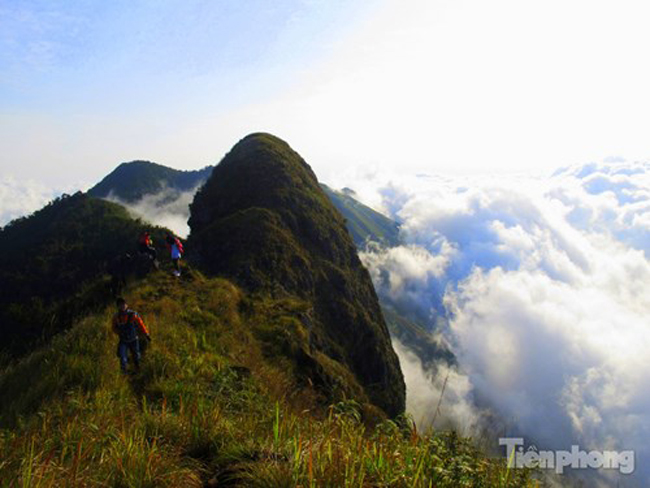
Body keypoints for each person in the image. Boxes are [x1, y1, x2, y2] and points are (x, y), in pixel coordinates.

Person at [112, 297, 151, 374]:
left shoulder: (133, 314)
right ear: (118, 306)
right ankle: (124, 374)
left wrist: (146, 334)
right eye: (120, 305)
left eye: (123, 304)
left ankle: (138, 370)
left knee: (136, 356)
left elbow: (141, 325)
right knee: (123, 358)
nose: (122, 306)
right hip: (123, 341)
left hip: (134, 339)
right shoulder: (116, 317)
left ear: (126, 305)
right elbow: (113, 328)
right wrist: (119, 332)